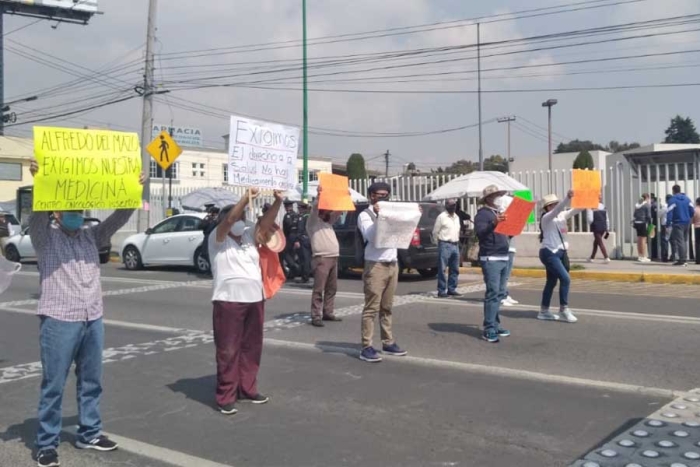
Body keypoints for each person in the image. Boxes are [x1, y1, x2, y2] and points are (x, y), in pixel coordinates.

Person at [28, 159, 144, 467]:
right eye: (69, 209)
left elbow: (119, 218)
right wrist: (42, 183)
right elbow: (36, 217)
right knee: (54, 384)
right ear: (56, 211)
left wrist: (135, 188)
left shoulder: (92, 236)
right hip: (58, 319)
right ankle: (46, 443)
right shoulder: (45, 238)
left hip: (92, 318)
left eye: (79, 210)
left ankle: (89, 432)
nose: (75, 215)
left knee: (91, 380)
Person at [209, 187, 284, 415]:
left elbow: (266, 223)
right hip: (228, 299)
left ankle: (247, 388)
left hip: (254, 297)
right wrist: (245, 198)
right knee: (228, 349)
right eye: (238, 218)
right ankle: (226, 395)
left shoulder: (249, 235)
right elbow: (230, 218)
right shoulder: (217, 237)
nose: (241, 220)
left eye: (243, 217)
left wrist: (278, 202)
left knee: (251, 347)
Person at [357, 182, 407, 362]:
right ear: (371, 196)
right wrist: (380, 216)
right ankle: (366, 346)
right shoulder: (365, 215)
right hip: (375, 264)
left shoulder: (392, 214)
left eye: (386, 194)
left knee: (387, 307)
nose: (383, 197)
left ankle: (388, 342)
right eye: (380, 194)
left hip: (392, 263)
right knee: (371, 307)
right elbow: (372, 237)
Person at [474, 185, 511, 343]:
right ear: (488, 198)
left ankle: (495, 324)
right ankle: (489, 328)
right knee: (493, 293)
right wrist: (494, 223)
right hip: (491, 257)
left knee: (500, 293)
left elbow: (505, 233)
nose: (498, 197)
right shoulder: (482, 214)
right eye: (496, 195)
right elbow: (481, 233)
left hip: (503, 255)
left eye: (499, 194)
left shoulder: (498, 213)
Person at [538, 190, 580, 324]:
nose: (555, 206)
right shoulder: (546, 218)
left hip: (561, 252)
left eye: (556, 203)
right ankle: (563, 309)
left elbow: (575, 210)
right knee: (565, 279)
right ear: (546, 207)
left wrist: (591, 200)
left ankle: (544, 311)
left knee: (551, 282)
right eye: (552, 204)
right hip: (549, 253)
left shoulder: (561, 216)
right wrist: (567, 198)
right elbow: (559, 210)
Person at [307, 187, 343, 327]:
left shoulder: (328, 223)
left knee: (332, 288)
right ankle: (316, 315)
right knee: (319, 289)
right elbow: (315, 209)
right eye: (327, 210)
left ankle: (328, 312)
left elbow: (339, 212)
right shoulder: (313, 222)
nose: (330, 213)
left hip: (333, 257)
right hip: (321, 258)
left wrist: (343, 197)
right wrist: (319, 195)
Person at [432, 199, 462, 298]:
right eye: (450, 205)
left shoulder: (457, 217)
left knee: (455, 268)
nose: (453, 206)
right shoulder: (441, 217)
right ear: (446, 206)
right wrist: (439, 243)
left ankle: (452, 289)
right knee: (442, 269)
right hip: (445, 244)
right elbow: (435, 232)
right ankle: (441, 290)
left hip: (455, 244)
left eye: (454, 205)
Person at [495, 195, 518, 307]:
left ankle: (504, 293)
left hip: (511, 247)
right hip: (505, 248)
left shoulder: (510, 218)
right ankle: (501, 296)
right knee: (504, 274)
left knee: (507, 274)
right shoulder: (501, 218)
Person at [666, 184, 694, 266]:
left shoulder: (672, 200)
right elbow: (692, 211)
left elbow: (669, 213)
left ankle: (682, 260)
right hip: (687, 222)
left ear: (673, 191)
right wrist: (688, 217)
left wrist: (668, 223)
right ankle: (684, 258)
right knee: (684, 241)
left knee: (680, 241)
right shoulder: (687, 199)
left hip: (678, 223)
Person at [587, 195, 610, 263]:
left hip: (596, 226)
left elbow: (590, 219)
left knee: (599, 242)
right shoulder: (603, 206)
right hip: (603, 226)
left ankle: (606, 257)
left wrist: (590, 223)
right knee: (596, 242)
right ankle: (592, 257)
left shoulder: (590, 206)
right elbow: (607, 218)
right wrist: (607, 228)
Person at [282, 199, 300, 279]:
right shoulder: (296, 214)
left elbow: (289, 227)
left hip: (290, 236)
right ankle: (292, 274)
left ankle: (293, 266)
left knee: (284, 252)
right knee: (291, 253)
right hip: (296, 236)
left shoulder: (288, 215)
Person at [295, 202, 312, 283]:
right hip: (311, 239)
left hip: (304, 239)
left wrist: (297, 239)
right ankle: (309, 274)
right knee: (310, 258)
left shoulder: (302, 217)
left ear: (302, 208)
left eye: (299, 208)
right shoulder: (310, 216)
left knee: (304, 258)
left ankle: (305, 277)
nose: (298, 210)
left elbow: (300, 229)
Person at [632, 194, 652, 262]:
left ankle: (639, 256)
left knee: (639, 239)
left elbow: (634, 215)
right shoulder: (646, 205)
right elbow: (649, 216)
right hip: (643, 223)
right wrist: (650, 224)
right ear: (646, 198)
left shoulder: (637, 205)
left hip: (637, 223)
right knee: (643, 240)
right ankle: (643, 256)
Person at [693, 198, 700, 265]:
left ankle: (698, 260)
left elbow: (693, 218)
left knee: (698, 244)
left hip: (697, 227)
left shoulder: (695, 209)